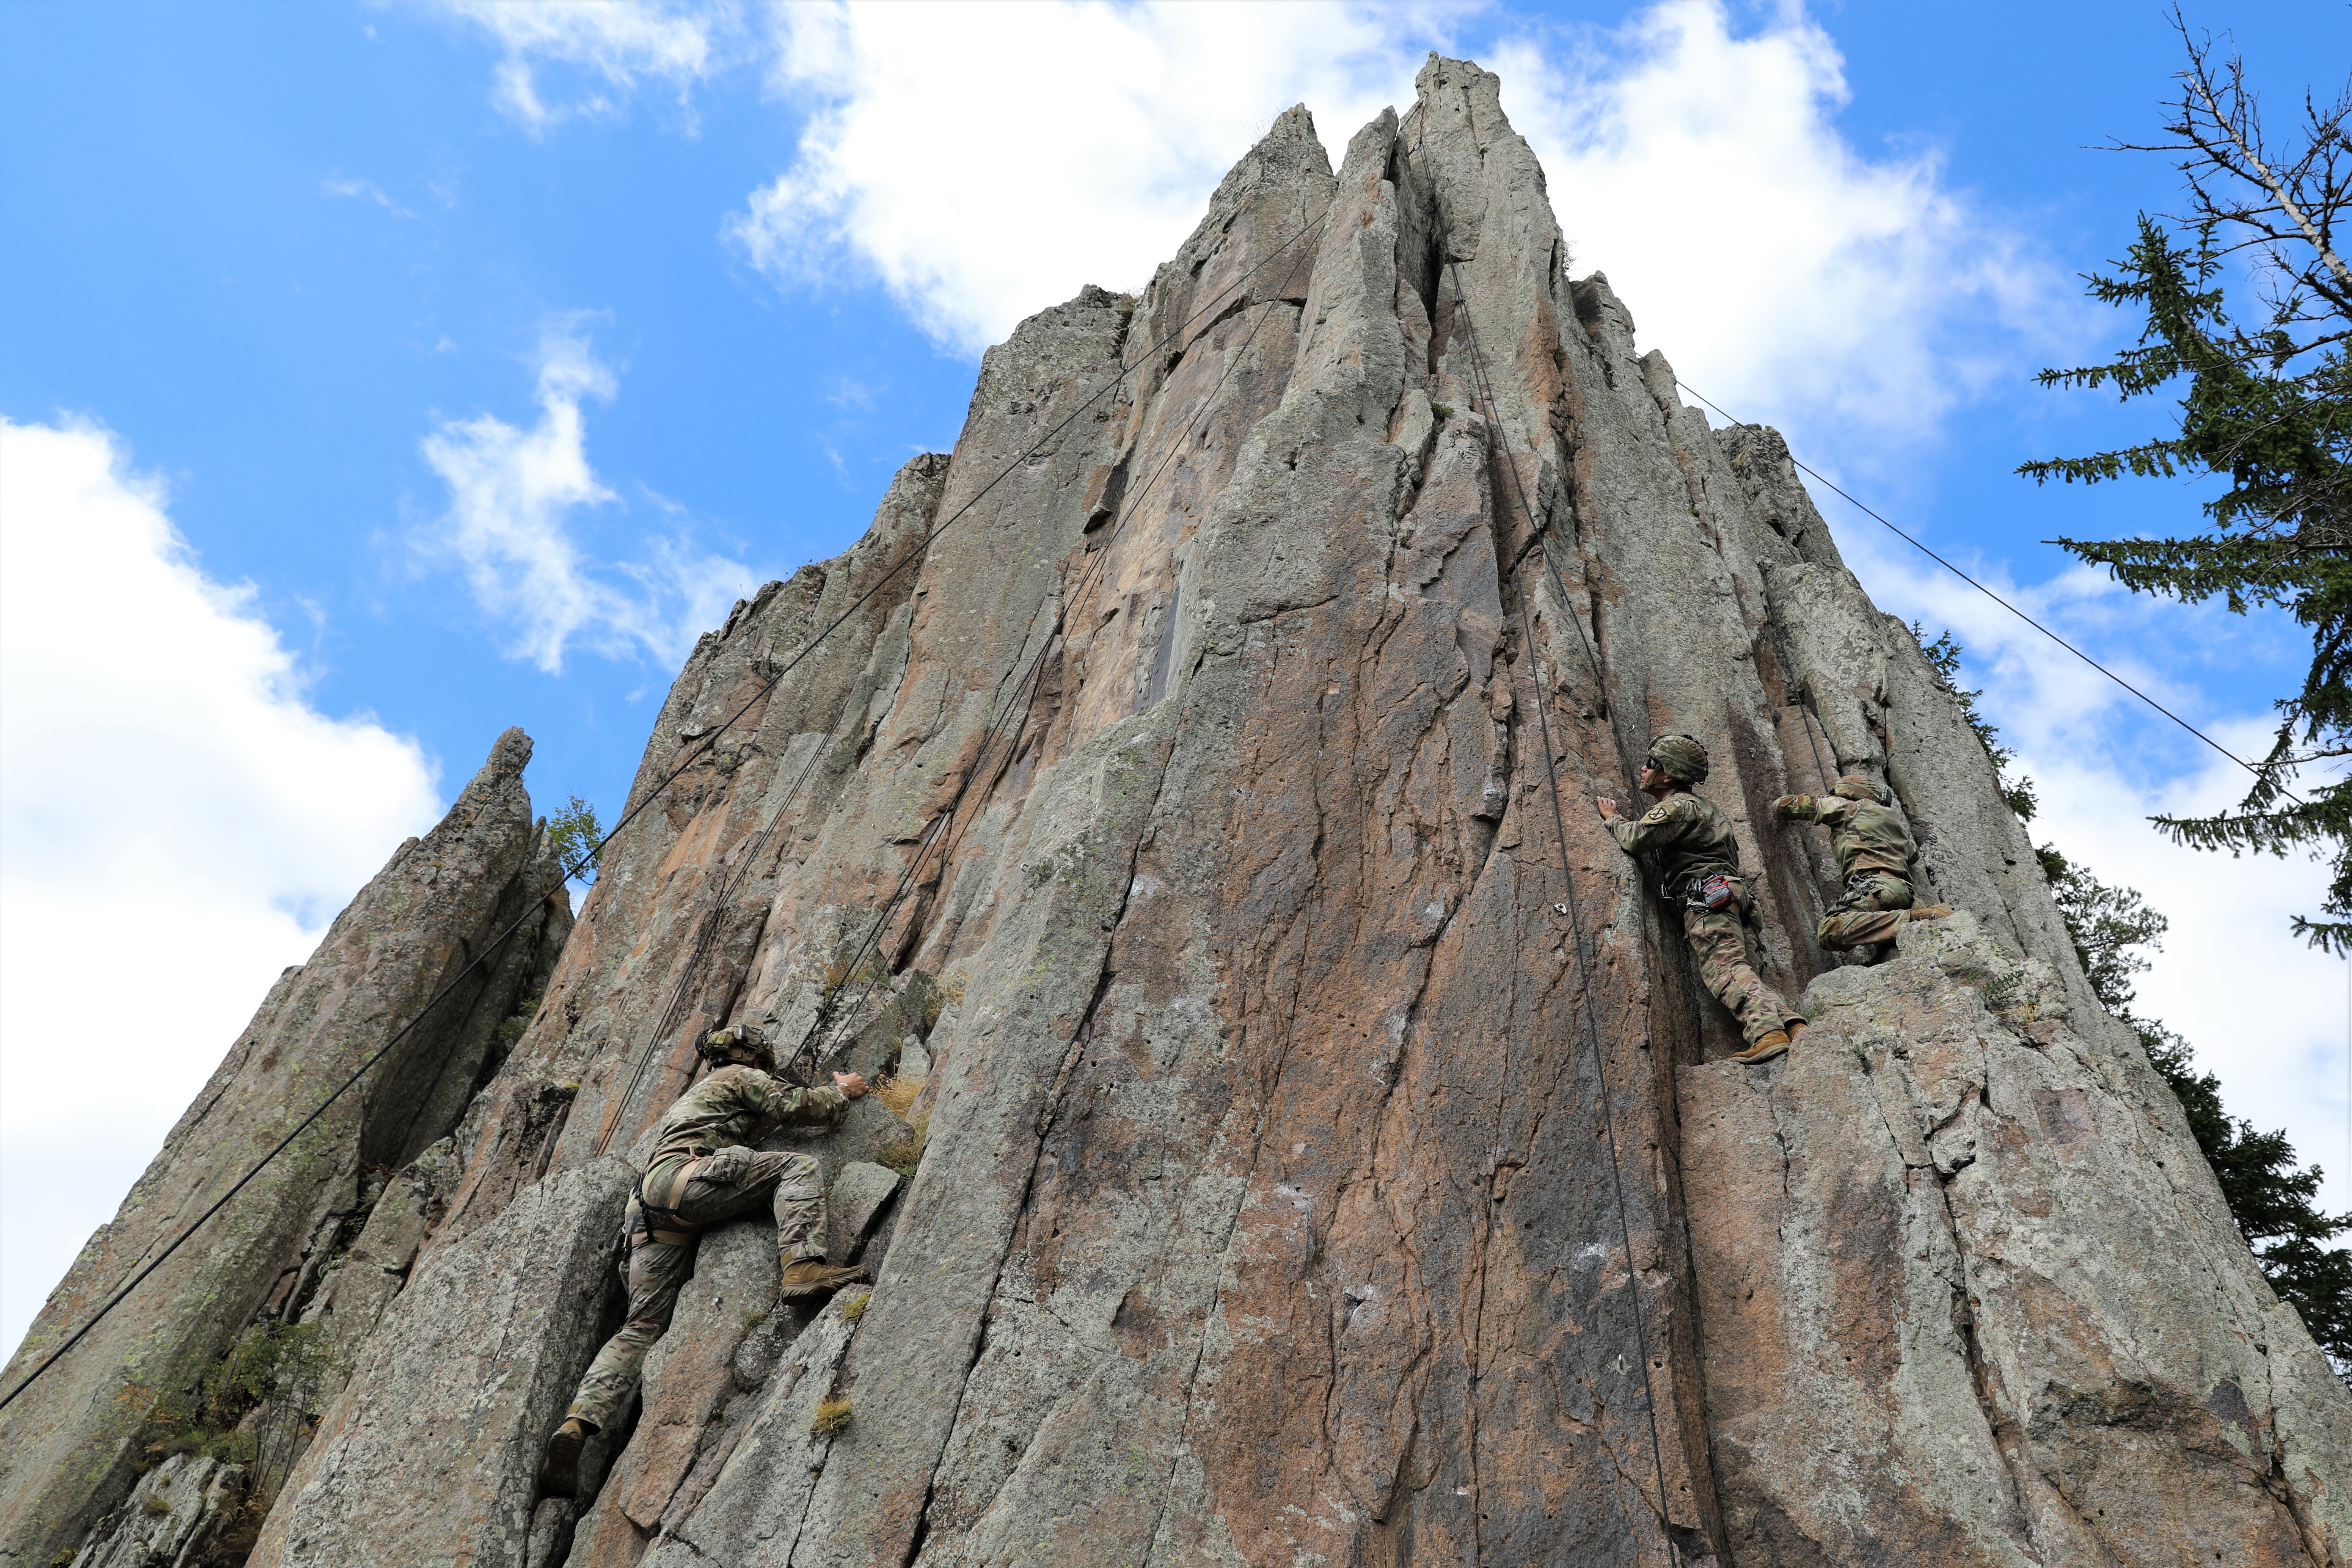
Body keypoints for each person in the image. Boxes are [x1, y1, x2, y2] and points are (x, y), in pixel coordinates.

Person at [539, 1023, 871, 1499]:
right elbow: (799, 1107)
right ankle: (802, 1266)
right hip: (692, 1177)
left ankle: (578, 1422)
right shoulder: (740, 1075)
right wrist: (840, 1091)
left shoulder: (695, 1096)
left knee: (641, 1326)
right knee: (797, 1167)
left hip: (649, 1206)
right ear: (754, 1056)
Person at [1598, 734, 1809, 1065]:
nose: (1644, 768)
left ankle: (1768, 1034)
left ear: (1668, 776)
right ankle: (1793, 1026)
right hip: (1732, 896)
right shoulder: (1710, 810)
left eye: (1652, 763)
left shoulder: (1678, 806)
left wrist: (1613, 818)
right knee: (1743, 970)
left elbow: (1636, 839)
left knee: (1725, 969)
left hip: (1707, 897)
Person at [1772, 774, 1952, 955]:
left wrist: (1827, 799)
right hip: (1908, 895)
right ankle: (1923, 917)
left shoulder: (1850, 808)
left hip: (1876, 888)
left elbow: (1783, 805)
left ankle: (1919, 918)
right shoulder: (1893, 821)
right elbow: (1913, 856)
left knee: (1829, 931)